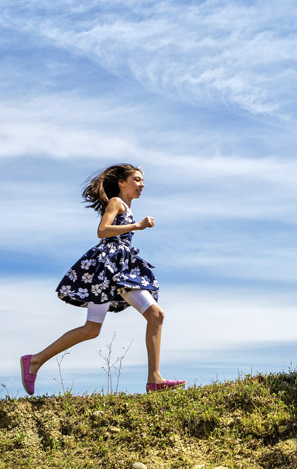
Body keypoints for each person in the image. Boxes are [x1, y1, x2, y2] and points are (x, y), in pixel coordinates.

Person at [20, 164, 184, 394]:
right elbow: (102, 230)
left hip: (117, 268)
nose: (141, 184)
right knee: (155, 315)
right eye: (136, 180)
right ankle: (154, 380)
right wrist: (138, 225)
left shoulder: (126, 207)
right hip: (110, 269)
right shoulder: (116, 203)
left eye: (142, 181)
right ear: (122, 182)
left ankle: (35, 360)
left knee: (91, 330)